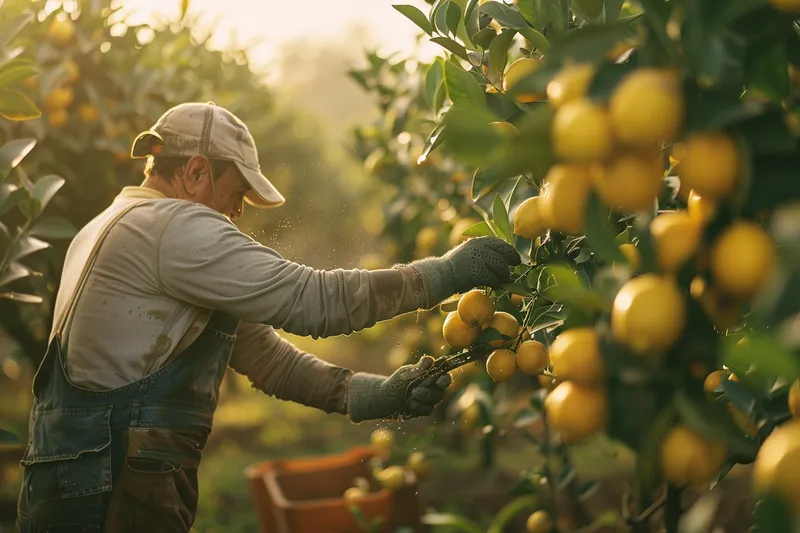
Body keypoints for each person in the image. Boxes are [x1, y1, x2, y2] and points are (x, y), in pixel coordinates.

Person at [15, 102, 521, 533]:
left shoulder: (106, 227)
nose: (236, 213)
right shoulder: (173, 227)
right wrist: (439, 275)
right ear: (195, 172)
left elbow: (263, 355)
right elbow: (310, 299)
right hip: (111, 490)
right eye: (235, 195)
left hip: (70, 481)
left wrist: (368, 392)